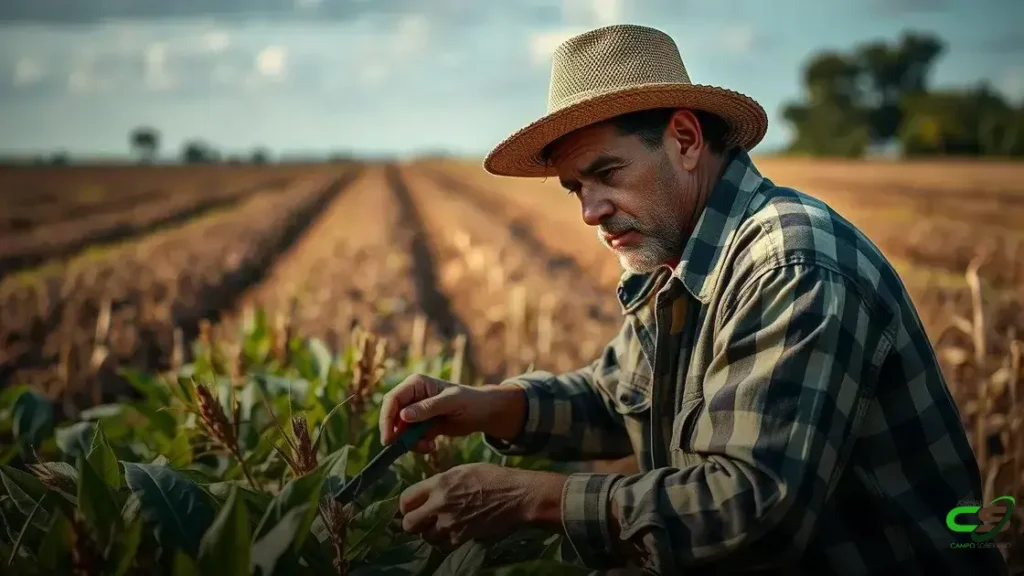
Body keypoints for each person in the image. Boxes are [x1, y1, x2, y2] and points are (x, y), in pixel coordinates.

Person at [378, 24, 1009, 574]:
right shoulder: (679, 257)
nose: (590, 211)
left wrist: (527, 499)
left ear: (684, 139)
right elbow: (616, 397)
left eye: (606, 173)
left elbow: (752, 511)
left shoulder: (791, 265)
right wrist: (486, 406)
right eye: (575, 188)